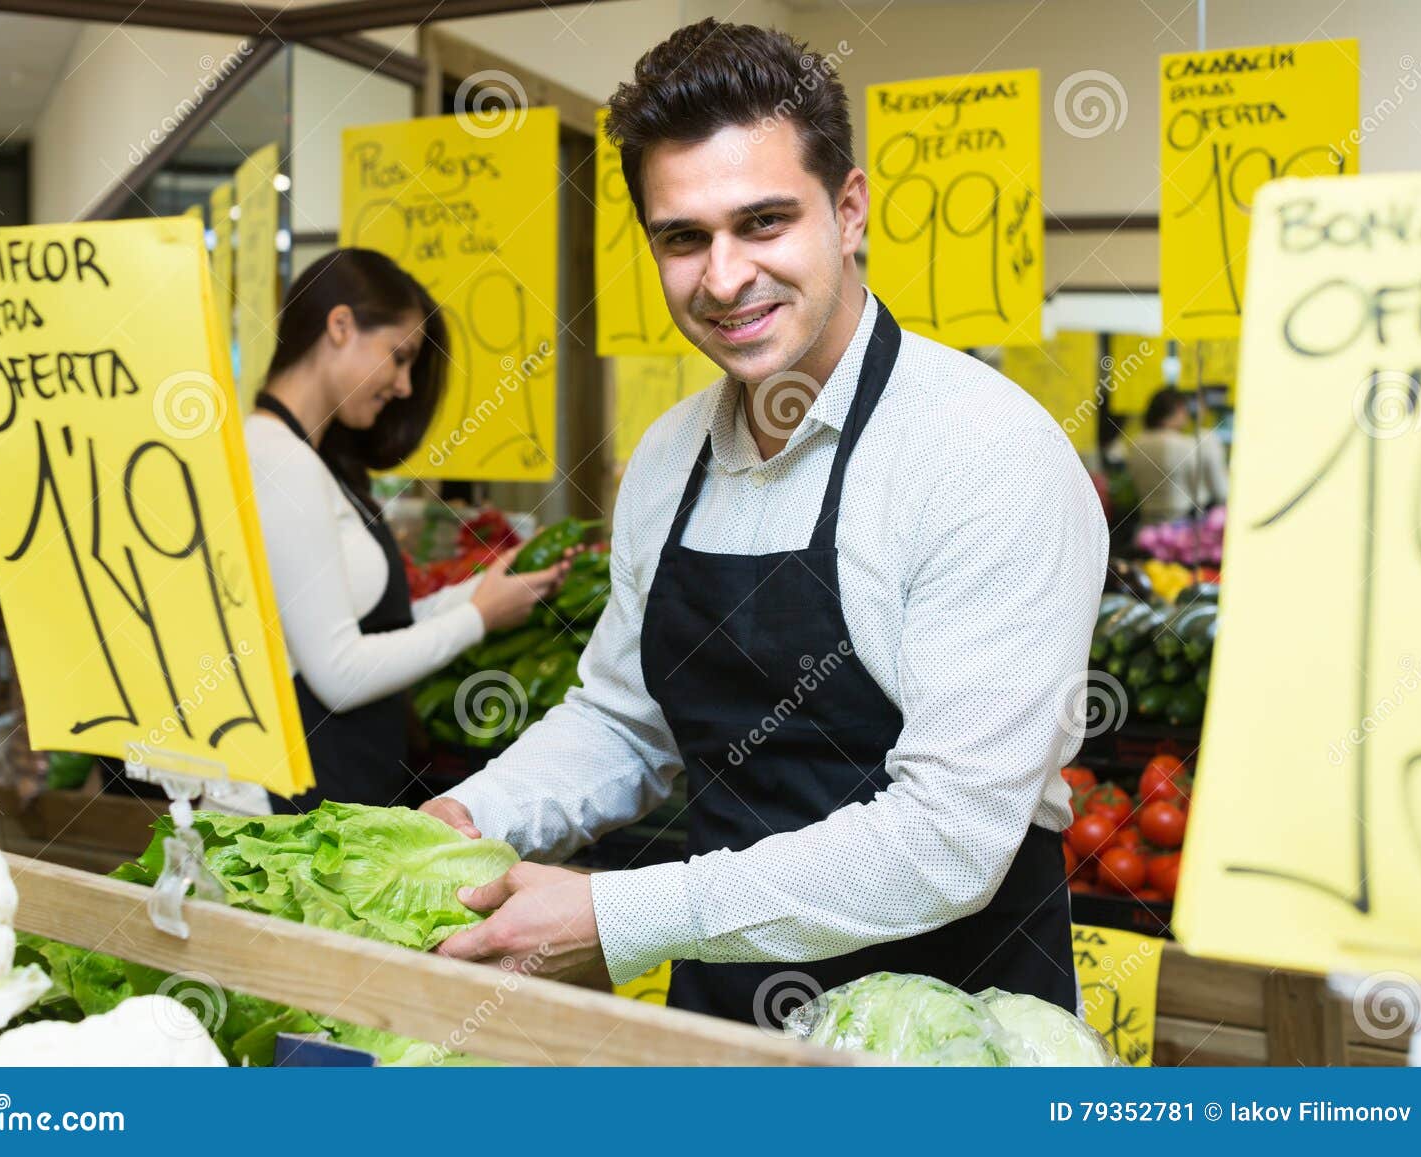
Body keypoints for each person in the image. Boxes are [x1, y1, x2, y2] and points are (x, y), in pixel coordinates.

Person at [421, 20, 1108, 1024]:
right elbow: (624, 717)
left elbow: (948, 838)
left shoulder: (984, 452)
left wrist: (618, 910)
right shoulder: (666, 457)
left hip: (952, 1035)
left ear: (850, 208)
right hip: (725, 1016)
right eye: (683, 237)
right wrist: (462, 818)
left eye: (763, 222)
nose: (725, 275)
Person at [245, 249, 568, 812]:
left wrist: (480, 591)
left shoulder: (304, 457)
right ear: (340, 326)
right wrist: (478, 618)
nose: (402, 385)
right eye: (399, 357)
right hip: (301, 809)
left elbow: (359, 630)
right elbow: (338, 673)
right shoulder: (280, 459)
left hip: (333, 795)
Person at [1120, 387, 1229, 524]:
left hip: (1146, 524)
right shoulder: (1190, 444)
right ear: (1179, 409)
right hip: (1184, 526)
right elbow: (1221, 491)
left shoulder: (1135, 444)